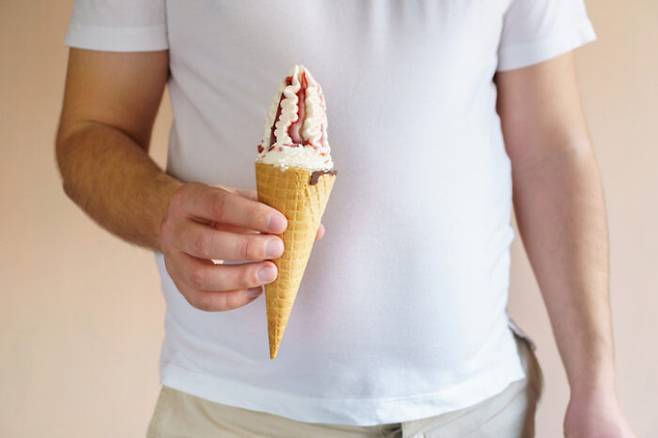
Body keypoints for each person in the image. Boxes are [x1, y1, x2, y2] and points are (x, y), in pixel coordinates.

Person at [56, 1, 636, 437]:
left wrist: (594, 385)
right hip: (234, 413)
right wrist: (163, 215)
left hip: (478, 413)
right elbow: (91, 132)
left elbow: (552, 152)